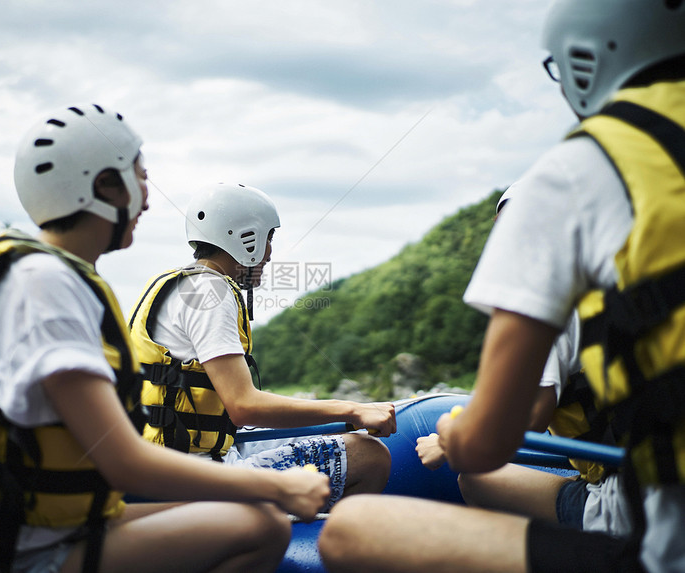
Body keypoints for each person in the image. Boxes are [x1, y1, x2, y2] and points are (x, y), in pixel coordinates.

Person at [320, 1, 685, 571]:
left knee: (350, 531)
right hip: (625, 489)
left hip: (657, 534)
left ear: (585, 59)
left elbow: (507, 427)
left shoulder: (578, 174)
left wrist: (450, 431)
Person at [0, 103, 330, 573]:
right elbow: (123, 462)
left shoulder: (59, 276)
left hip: (67, 523)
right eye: (140, 178)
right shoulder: (42, 285)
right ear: (102, 186)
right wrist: (278, 488)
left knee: (252, 516)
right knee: (263, 524)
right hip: (16, 549)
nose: (147, 198)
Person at [128, 182, 395, 509]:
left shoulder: (171, 283)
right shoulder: (212, 294)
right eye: (268, 238)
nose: (269, 253)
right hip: (193, 474)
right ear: (246, 238)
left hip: (160, 462)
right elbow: (243, 406)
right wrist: (351, 408)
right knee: (370, 455)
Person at [415, 184, 610, 529]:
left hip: (626, 501)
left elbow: (530, 414)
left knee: (475, 479)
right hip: (664, 479)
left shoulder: (547, 303)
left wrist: (449, 441)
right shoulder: (624, 285)